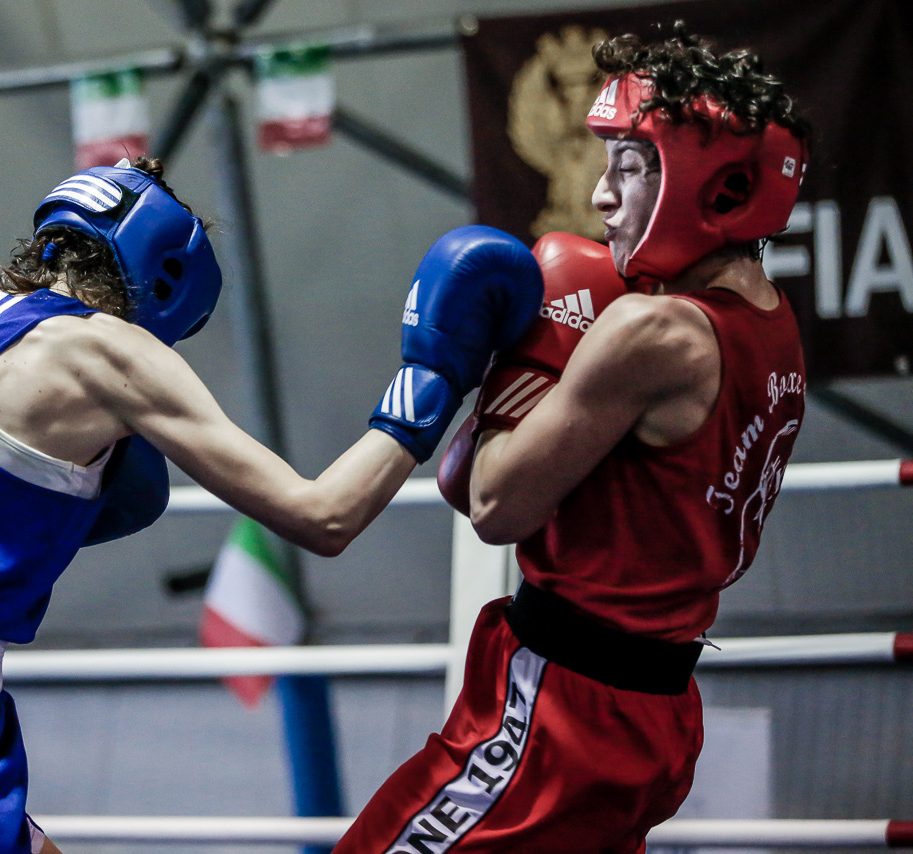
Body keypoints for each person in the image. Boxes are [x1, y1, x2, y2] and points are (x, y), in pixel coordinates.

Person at [0, 155, 544, 854]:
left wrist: (54, 498)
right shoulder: (107, 348)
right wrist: (436, 374)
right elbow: (323, 516)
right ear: (168, 279)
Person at [334, 25, 810, 854]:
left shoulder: (653, 330)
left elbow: (487, 502)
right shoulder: (774, 326)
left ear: (709, 182)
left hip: (561, 709)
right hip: (655, 706)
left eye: (630, 167)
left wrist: (503, 365)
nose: (601, 196)